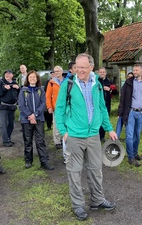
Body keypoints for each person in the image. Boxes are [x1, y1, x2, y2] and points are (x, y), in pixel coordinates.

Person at [55, 53, 117, 221]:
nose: (79, 70)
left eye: (83, 67)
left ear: (91, 67)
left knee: (96, 169)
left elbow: (102, 108)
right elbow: (59, 110)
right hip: (74, 136)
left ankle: (97, 200)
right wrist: (63, 132)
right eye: (77, 67)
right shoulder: (68, 84)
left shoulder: (96, 84)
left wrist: (109, 128)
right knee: (74, 172)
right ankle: (78, 206)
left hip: (93, 135)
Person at [18, 71, 54, 170]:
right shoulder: (23, 91)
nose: (32, 79)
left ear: (37, 79)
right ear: (27, 79)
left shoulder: (41, 90)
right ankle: (28, 160)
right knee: (28, 140)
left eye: (34, 77)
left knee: (41, 141)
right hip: (26, 120)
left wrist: (35, 114)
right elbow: (21, 105)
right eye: (30, 77)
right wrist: (30, 116)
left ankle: (44, 161)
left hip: (39, 119)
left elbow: (43, 103)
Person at [118, 64, 142, 167]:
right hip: (130, 112)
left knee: (137, 136)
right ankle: (131, 157)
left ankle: (135, 153)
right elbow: (122, 98)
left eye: (136, 70)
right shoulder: (128, 82)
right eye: (134, 70)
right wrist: (120, 113)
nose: (134, 72)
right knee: (129, 136)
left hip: (140, 113)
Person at [0, 70, 20, 147]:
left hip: (12, 106)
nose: (7, 75)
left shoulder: (15, 83)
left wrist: (18, 88)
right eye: (6, 74)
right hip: (3, 106)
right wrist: (4, 89)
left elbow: (19, 94)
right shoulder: (1, 82)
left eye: (9, 74)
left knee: (11, 124)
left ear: (12, 75)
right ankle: (5, 141)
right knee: (3, 124)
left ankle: (8, 138)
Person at [46, 65, 65, 150]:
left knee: (66, 123)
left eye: (58, 71)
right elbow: (48, 96)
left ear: (62, 71)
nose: (56, 73)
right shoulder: (51, 83)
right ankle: (57, 141)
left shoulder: (67, 81)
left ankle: (63, 139)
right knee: (57, 125)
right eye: (55, 71)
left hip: (66, 107)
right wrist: (49, 106)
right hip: (56, 107)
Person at [98, 67, 112, 143]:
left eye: (103, 72)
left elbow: (115, 91)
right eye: (101, 72)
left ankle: (102, 136)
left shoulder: (109, 81)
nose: (102, 73)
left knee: (105, 118)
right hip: (98, 104)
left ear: (105, 73)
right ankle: (97, 136)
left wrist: (110, 89)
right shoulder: (96, 81)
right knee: (98, 119)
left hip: (107, 103)